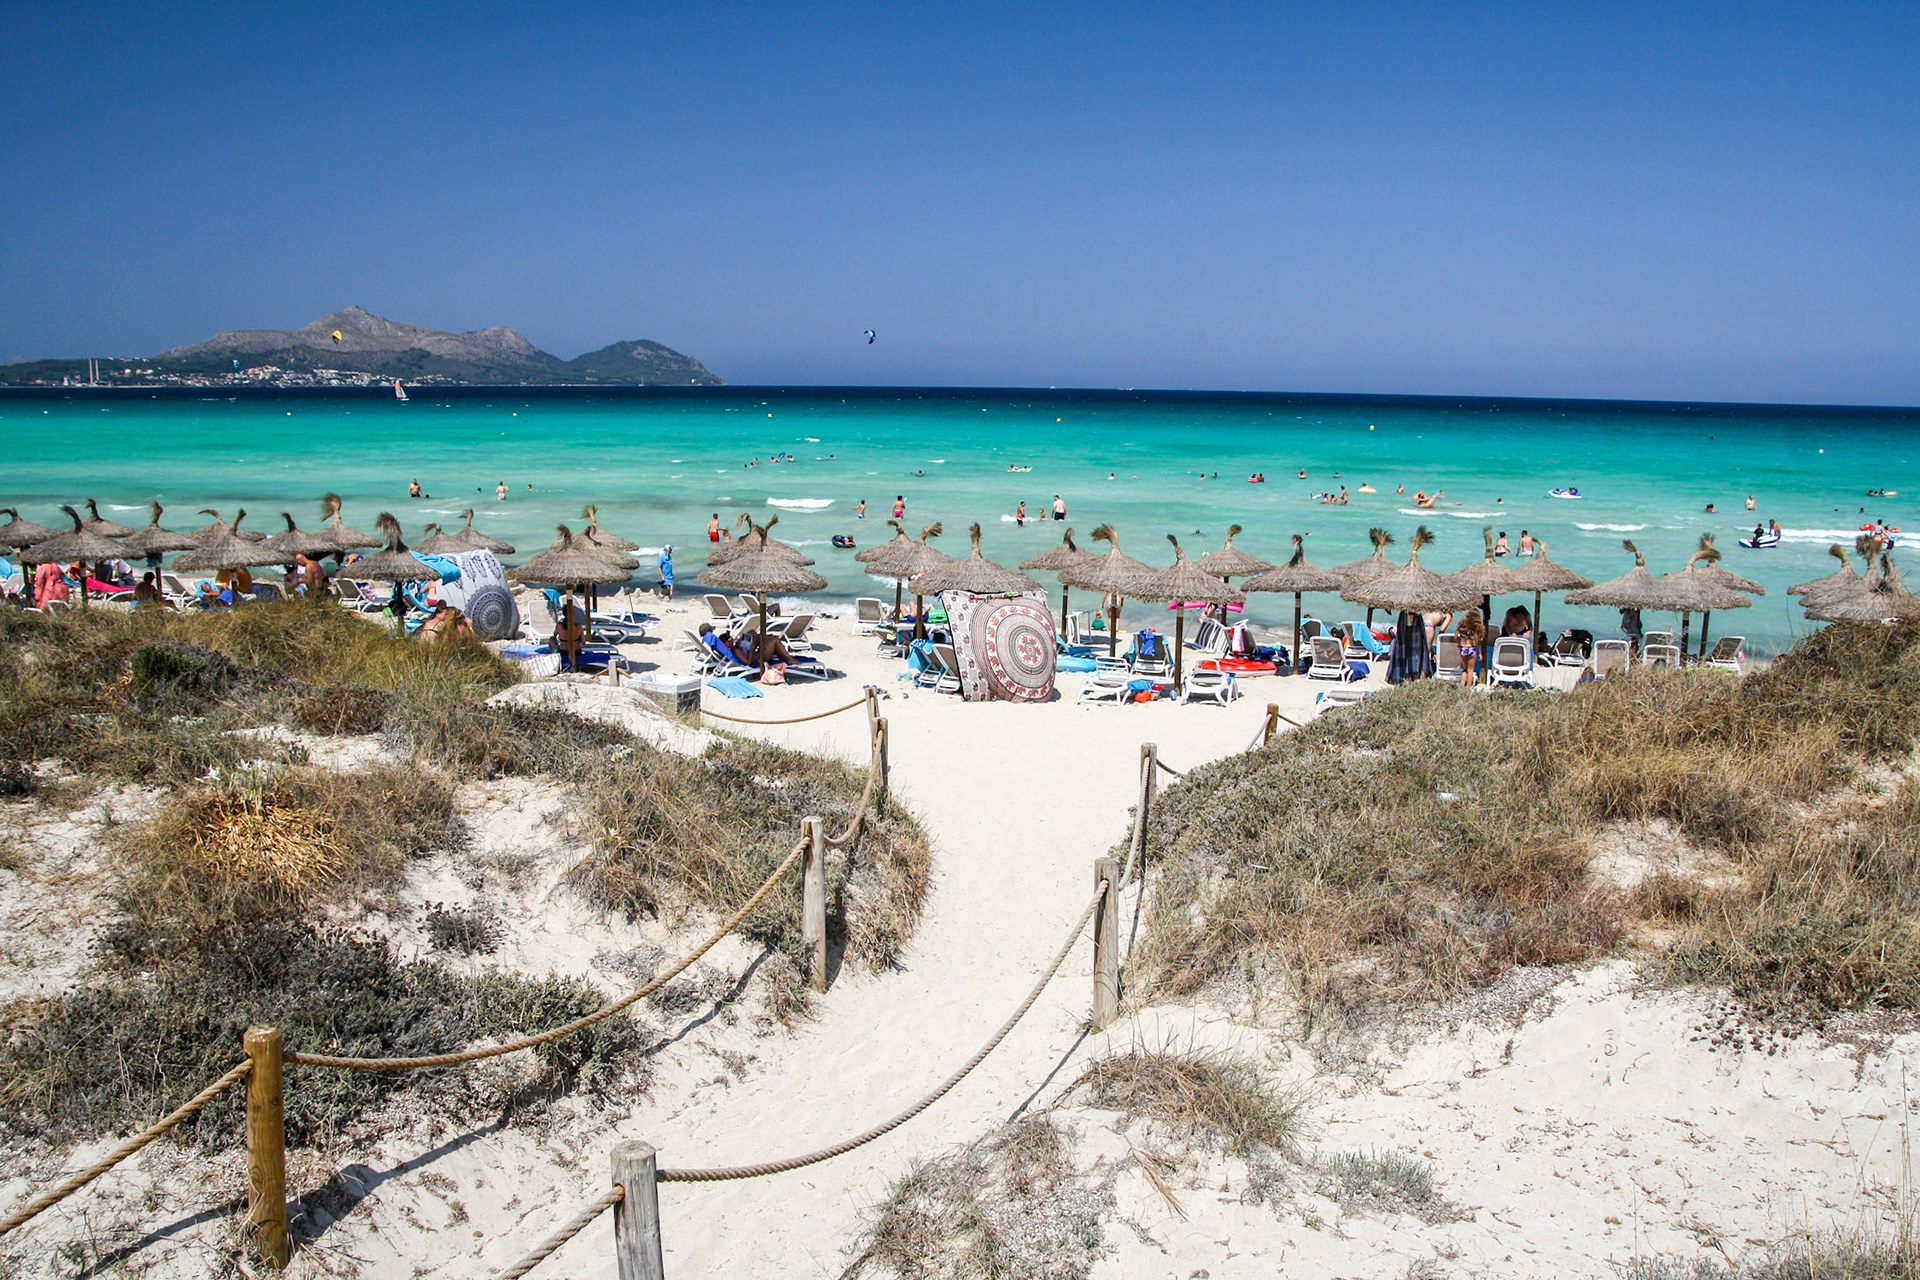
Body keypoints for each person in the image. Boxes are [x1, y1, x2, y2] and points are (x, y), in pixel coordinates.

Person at [554, 600, 589, 669]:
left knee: (551, 640)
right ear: (573, 613)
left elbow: (554, 636)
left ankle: (553, 656)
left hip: (563, 652)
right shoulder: (578, 626)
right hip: (577, 652)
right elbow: (583, 642)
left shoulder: (559, 625)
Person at [1456, 607, 1485, 685]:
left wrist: (1459, 644)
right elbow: (1477, 642)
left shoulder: (1462, 625)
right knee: (1470, 670)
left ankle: (1462, 687)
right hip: (1471, 649)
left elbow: (1456, 636)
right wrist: (1480, 653)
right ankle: (1468, 688)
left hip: (1463, 649)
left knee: (1464, 669)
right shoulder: (1475, 627)